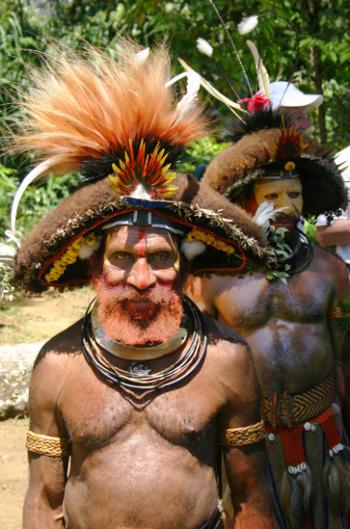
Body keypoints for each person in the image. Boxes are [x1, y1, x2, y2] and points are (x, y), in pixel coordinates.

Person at [13, 43, 275, 529]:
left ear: (184, 264)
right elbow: (44, 502)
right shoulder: (57, 366)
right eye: (120, 258)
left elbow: (252, 499)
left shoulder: (226, 360)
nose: (140, 279)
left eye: (159, 257)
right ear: (93, 266)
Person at [191, 109, 350, 529]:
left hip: (324, 436)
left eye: (294, 195)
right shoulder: (212, 278)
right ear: (244, 201)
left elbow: (345, 357)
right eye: (272, 196)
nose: (286, 207)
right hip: (248, 439)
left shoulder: (330, 270)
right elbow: (196, 368)